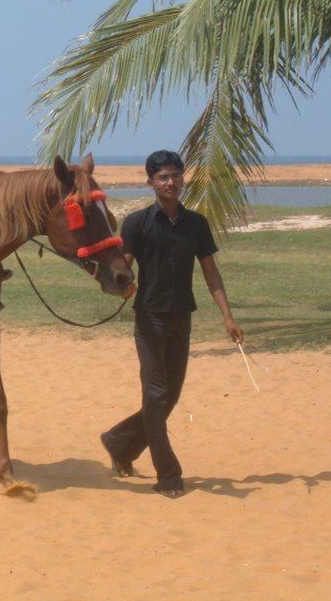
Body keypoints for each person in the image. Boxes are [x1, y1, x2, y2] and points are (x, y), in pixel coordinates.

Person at [100, 150, 244, 498]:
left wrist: (227, 315)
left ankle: (119, 443)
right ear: (150, 182)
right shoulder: (137, 223)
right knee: (156, 394)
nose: (171, 182)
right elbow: (125, 265)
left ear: (183, 178)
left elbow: (211, 271)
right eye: (163, 177)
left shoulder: (196, 223)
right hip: (149, 318)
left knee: (168, 398)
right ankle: (169, 475)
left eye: (176, 176)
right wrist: (119, 281)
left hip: (182, 318)